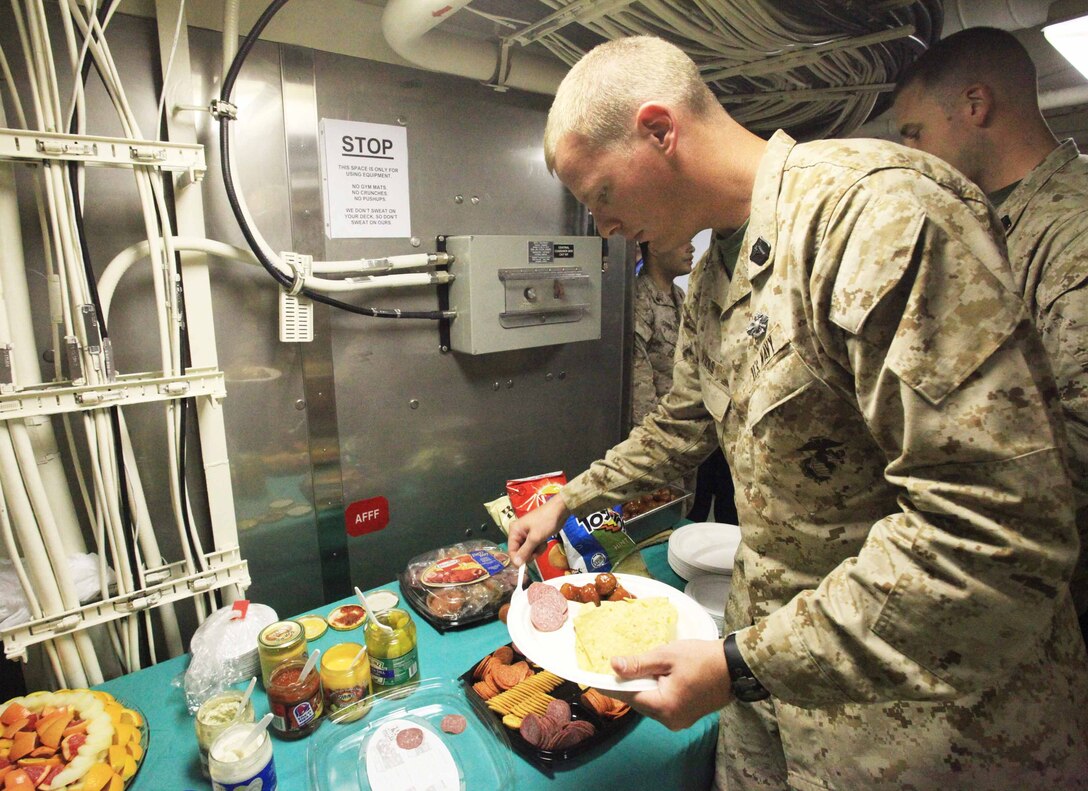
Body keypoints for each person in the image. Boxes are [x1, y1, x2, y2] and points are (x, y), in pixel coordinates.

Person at [509, 35, 1088, 789]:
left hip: (920, 721)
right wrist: (570, 498)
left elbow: (992, 529)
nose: (606, 231)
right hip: (769, 688)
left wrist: (741, 662)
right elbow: (685, 421)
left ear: (660, 130)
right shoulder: (720, 263)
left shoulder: (877, 215)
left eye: (603, 199)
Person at [892, 26, 1088, 641]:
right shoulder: (975, 224)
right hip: (974, 574)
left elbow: (1077, 444)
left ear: (975, 106)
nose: (912, 155)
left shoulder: (1071, 228)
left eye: (915, 133)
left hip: (1040, 590)